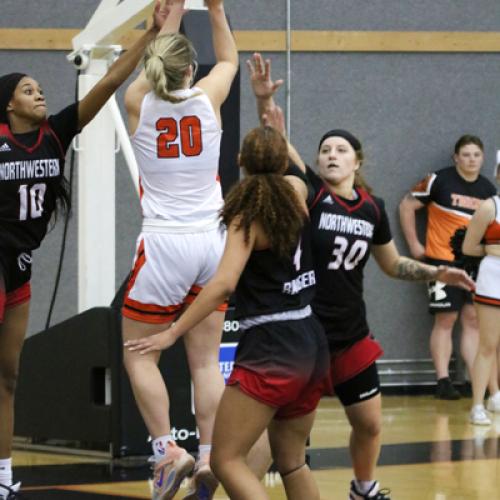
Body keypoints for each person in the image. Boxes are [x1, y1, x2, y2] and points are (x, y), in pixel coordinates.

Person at [246, 52, 476, 500]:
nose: (331, 155)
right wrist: (262, 104)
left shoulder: (371, 208)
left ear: (357, 161)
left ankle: (363, 488)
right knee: (286, 435)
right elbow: (278, 145)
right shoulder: (309, 193)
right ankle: (233, 479)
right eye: (325, 150)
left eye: (340, 150)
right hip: (305, 332)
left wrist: (437, 271)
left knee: (369, 423)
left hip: (350, 333)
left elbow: (391, 264)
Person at [0, 3, 170, 498]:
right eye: (28, 90)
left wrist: (149, 32)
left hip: (22, 266)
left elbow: (112, 80)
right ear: (7, 105)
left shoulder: (56, 134)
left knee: (8, 378)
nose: (40, 93)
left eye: (40, 89)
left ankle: (4, 475)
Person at [126, 125, 330, 500]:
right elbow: (301, 174)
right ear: (283, 161)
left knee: (226, 461)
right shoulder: (298, 195)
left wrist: (173, 332)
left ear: (239, 161)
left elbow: (223, 284)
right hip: (312, 340)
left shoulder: (247, 214)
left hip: (273, 345)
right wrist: (269, 109)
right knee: (293, 462)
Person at [120, 1, 238, 498]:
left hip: (165, 241)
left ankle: (167, 452)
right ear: (192, 69)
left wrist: (165, 17)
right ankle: (209, 456)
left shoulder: (138, 102)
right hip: (212, 242)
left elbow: (158, 62)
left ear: (154, 67)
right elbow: (228, 59)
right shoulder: (208, 97)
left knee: (137, 354)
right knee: (205, 361)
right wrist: (215, 9)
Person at [399, 136, 497, 400]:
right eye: (465, 154)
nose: (471, 159)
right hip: (441, 262)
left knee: (473, 321)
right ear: (456, 157)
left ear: (483, 158)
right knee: (446, 319)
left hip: (475, 267)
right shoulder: (437, 180)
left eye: (476, 154)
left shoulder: (489, 190)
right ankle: (442, 380)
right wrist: (415, 246)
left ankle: (472, 379)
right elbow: (407, 206)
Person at [463, 169, 500, 425]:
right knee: (487, 344)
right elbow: (468, 247)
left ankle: (495, 396)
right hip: (493, 276)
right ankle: (477, 405)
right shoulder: (490, 207)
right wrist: (491, 247)